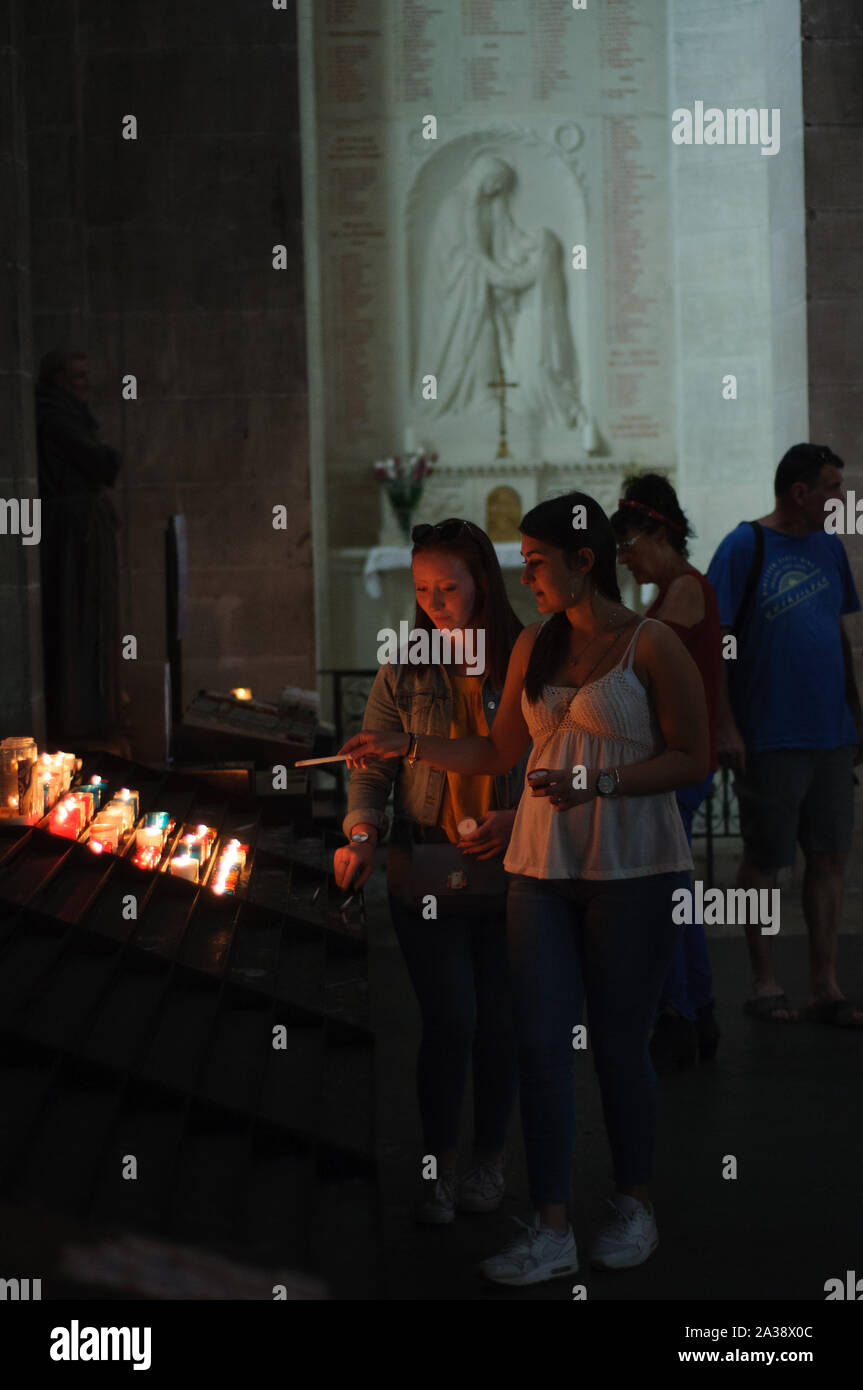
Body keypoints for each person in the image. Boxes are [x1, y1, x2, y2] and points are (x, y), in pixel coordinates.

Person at [340, 493, 709, 1285]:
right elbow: (494, 747)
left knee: (615, 1043)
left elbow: (693, 758)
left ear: (585, 560)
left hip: (632, 868)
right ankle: (549, 1225)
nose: (526, 574)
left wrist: (601, 779)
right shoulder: (532, 648)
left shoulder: (650, 645)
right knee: (540, 1043)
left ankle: (632, 1204)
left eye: (536, 561)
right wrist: (406, 742)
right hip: (539, 869)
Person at [333, 519, 527, 1224]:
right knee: (450, 1019)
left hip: (512, 864)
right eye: (422, 590)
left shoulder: (524, 658)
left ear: (482, 579)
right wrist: (360, 832)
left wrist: (523, 818)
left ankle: (489, 1160)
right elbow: (372, 769)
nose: (436, 602)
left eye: (449, 586)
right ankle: (438, 1166)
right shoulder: (406, 667)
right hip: (428, 862)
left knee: (501, 1022)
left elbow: (543, 757)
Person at [707, 443, 863, 1027]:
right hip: (769, 734)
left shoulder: (829, 548)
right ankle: (765, 980)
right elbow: (717, 643)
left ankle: (825, 983)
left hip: (829, 734)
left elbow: (838, 633)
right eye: (832, 488)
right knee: (766, 859)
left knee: (830, 857)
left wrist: (855, 710)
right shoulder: (744, 546)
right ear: (800, 493)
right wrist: (725, 724)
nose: (841, 499)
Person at [611, 475, 722, 1071]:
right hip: (682, 756)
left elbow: (646, 666)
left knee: (662, 893)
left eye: (629, 546)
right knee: (676, 887)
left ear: (659, 532)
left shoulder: (681, 590)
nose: (625, 559)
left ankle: (677, 1015)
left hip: (677, 761)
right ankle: (698, 1012)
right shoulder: (674, 590)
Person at [35, 349, 121, 747]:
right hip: (69, 533)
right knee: (74, 621)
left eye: (87, 375)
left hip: (76, 528)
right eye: (77, 376)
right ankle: (76, 717)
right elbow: (99, 461)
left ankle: (88, 713)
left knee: (86, 623)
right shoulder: (53, 413)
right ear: (58, 380)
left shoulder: (65, 413)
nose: (85, 384)